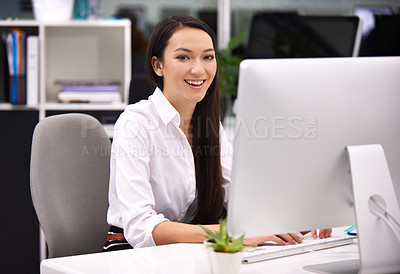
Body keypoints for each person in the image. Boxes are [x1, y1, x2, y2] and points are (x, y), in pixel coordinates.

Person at [104, 15, 331, 251]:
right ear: (158, 65)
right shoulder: (135, 124)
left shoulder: (209, 124)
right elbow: (141, 229)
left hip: (184, 250)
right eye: (183, 57)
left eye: (208, 57)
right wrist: (231, 233)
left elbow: (239, 197)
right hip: (131, 252)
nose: (198, 69)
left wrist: (296, 220)